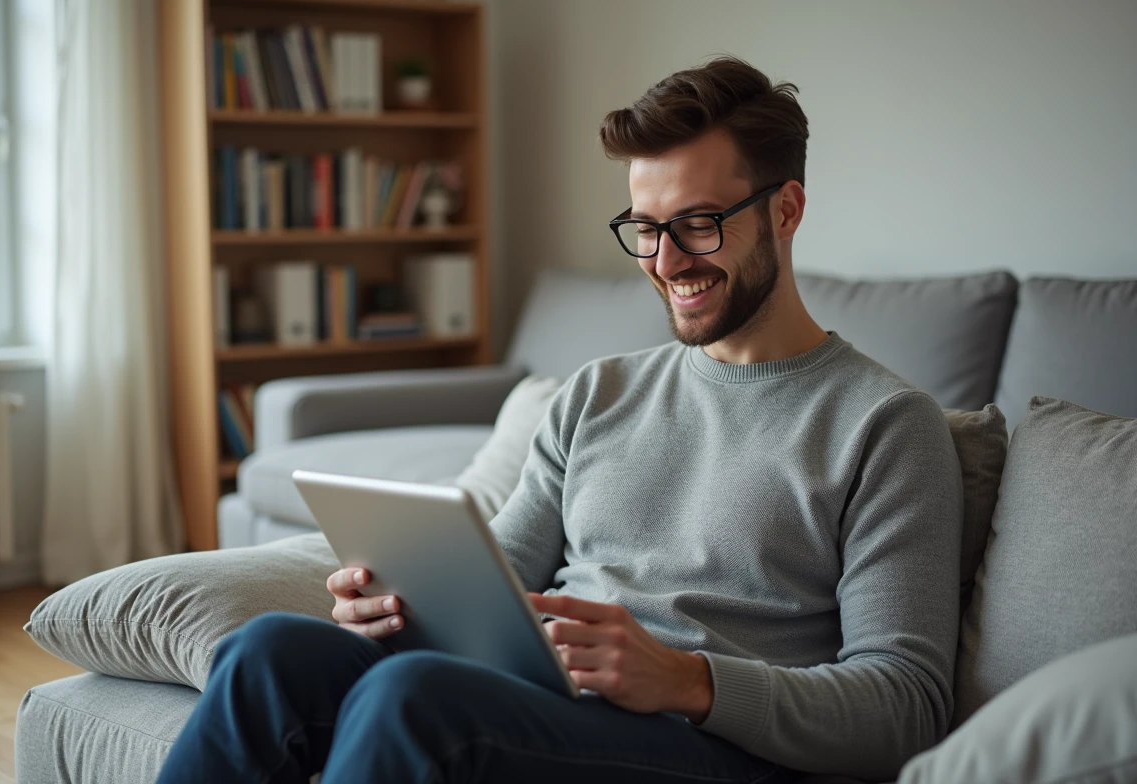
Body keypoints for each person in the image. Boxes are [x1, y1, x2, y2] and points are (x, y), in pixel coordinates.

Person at [157, 56, 963, 784]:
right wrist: (396, 610)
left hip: (714, 747)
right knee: (268, 652)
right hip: (555, 707)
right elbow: (498, 579)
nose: (665, 262)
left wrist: (686, 680)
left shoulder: (886, 425)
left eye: (698, 224)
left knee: (416, 700)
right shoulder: (596, 394)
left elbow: (906, 706)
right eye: (645, 229)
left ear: (785, 211)